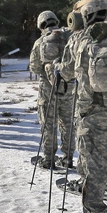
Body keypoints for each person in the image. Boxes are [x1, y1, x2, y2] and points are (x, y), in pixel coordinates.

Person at [53, 0, 107, 213]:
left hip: (92, 112)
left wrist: (55, 67)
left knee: (94, 162)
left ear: (85, 13)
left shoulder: (82, 38)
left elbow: (67, 72)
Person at [30, 10, 75, 169]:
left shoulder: (41, 41)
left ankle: (49, 159)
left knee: (48, 124)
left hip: (48, 89)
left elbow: (34, 67)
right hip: (69, 88)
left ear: (41, 25)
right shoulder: (69, 36)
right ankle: (68, 158)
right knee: (68, 123)